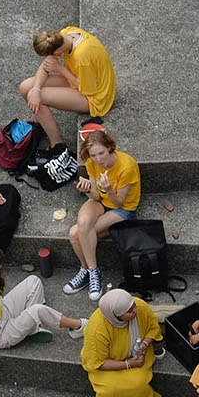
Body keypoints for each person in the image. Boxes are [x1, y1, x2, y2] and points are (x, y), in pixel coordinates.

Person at [0, 246, 83, 372]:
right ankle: (77, 326)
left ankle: (29, 328)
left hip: (0, 312)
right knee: (37, 310)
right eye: (0, 266)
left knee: (33, 281)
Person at [61, 127, 140, 303]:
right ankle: (90, 271)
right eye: (94, 155)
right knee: (81, 225)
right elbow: (96, 196)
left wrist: (110, 189)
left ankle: (90, 271)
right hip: (101, 202)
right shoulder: (92, 163)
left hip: (123, 209)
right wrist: (88, 190)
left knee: (76, 234)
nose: (98, 159)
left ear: (110, 147)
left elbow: (119, 202)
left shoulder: (126, 166)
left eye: (101, 153)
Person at [80, 288, 162, 397]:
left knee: (138, 383)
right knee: (111, 390)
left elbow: (152, 329)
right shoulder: (97, 328)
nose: (135, 311)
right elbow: (98, 362)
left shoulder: (140, 306)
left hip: (137, 356)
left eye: (133, 306)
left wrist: (144, 345)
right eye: (129, 311)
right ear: (115, 315)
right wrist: (129, 364)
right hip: (108, 366)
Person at [19, 26, 117, 147]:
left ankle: (57, 144)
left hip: (95, 96)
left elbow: (87, 90)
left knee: (37, 97)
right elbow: (46, 65)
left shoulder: (81, 57)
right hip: (78, 77)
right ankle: (43, 124)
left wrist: (59, 68)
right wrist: (36, 89)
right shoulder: (65, 34)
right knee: (25, 87)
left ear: (56, 53)